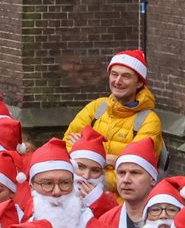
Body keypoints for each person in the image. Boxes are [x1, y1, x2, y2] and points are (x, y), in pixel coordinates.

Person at [64, 49, 165, 184]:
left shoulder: (149, 121)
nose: (118, 81)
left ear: (139, 83)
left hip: (124, 202)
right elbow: (66, 147)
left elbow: (134, 175)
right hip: (80, 197)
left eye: (126, 76)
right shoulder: (96, 107)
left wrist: (84, 158)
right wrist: (112, 160)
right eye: (114, 74)